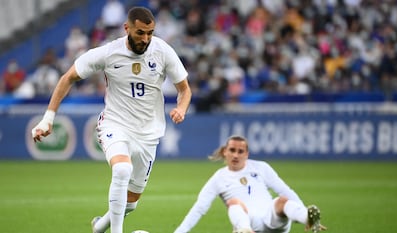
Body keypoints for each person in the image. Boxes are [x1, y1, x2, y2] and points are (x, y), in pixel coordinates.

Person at [31, 6, 192, 233]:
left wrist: (181, 108)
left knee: (131, 203)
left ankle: (100, 226)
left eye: (150, 33)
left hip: (148, 134)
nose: (145, 39)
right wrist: (48, 118)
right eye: (140, 33)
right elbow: (68, 77)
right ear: (127, 28)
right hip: (115, 124)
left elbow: (185, 89)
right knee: (122, 170)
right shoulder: (108, 53)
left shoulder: (163, 51)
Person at [174, 135, 327, 233]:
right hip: (249, 223)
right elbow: (199, 208)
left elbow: (285, 190)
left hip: (272, 219)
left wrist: (302, 209)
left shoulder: (261, 167)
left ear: (247, 154)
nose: (236, 155)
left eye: (240, 152)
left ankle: (307, 217)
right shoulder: (218, 178)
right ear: (224, 152)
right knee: (234, 203)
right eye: (232, 150)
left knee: (282, 201)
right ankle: (245, 231)